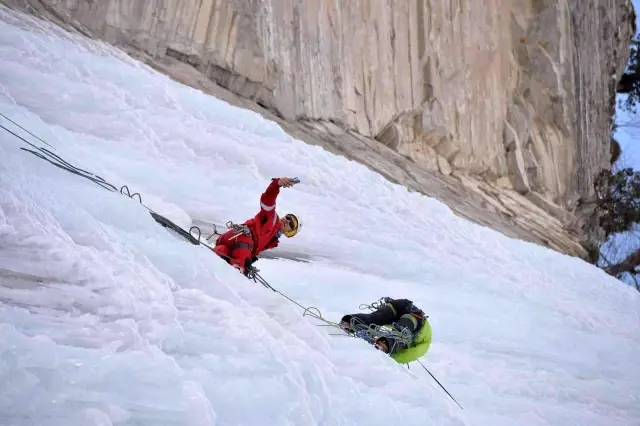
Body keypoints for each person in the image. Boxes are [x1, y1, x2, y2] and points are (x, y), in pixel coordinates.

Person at [213, 177, 300, 276]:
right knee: (242, 263)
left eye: (291, 223)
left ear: (290, 232)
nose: (287, 220)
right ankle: (237, 273)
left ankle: (212, 258)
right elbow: (267, 200)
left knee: (223, 252)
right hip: (239, 237)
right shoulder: (272, 218)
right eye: (288, 217)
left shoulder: (273, 241)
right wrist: (277, 184)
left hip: (229, 244)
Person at [339, 297, 432, 364]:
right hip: (415, 318)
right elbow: (406, 356)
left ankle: (350, 322)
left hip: (400, 305)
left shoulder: (421, 338)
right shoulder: (424, 345)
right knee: (400, 334)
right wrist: (389, 356)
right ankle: (384, 344)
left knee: (375, 318)